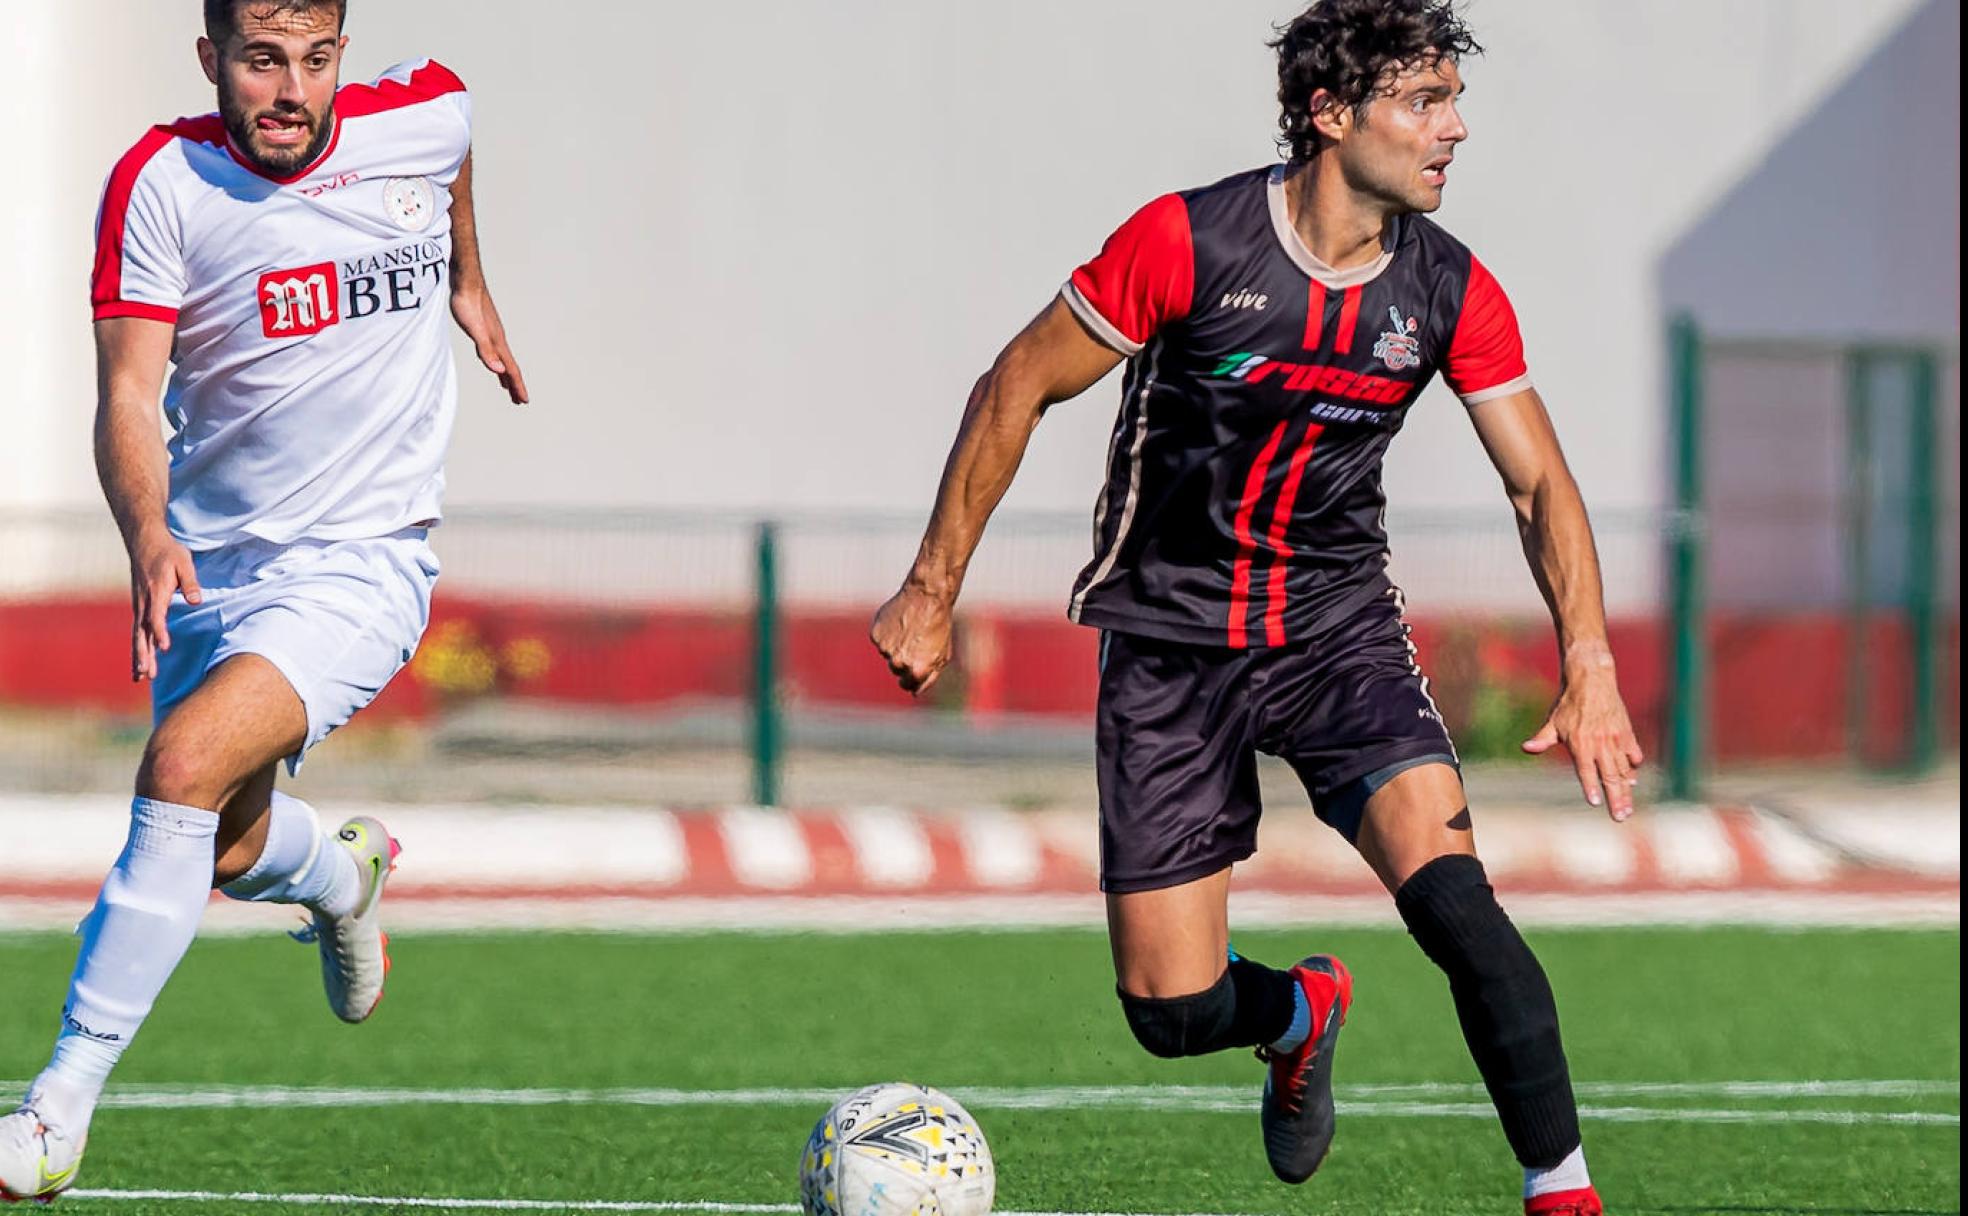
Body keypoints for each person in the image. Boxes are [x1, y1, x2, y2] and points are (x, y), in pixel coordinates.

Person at [870, 1, 1643, 1211]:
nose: (1456, 130)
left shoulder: (1449, 290)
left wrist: (1588, 660)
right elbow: (1017, 383)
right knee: (1171, 1012)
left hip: (1335, 635)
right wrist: (932, 587)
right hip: (1172, 642)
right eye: (1425, 103)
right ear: (1332, 116)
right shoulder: (1188, 243)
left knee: (1458, 907)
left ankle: (1564, 1191)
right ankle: (1295, 1011)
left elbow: (1539, 477)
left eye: (1454, 100)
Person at [0, 0, 527, 1201]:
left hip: (364, 561)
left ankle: (52, 1112)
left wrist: (470, 285)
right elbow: (130, 394)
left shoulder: (424, 111)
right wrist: (144, 532)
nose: (291, 89)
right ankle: (343, 875)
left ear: (343, 49)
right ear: (212, 60)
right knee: (228, 849)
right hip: (209, 570)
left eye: (315, 58)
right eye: (261, 61)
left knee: (181, 767)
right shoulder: (161, 182)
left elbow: (450, 156)